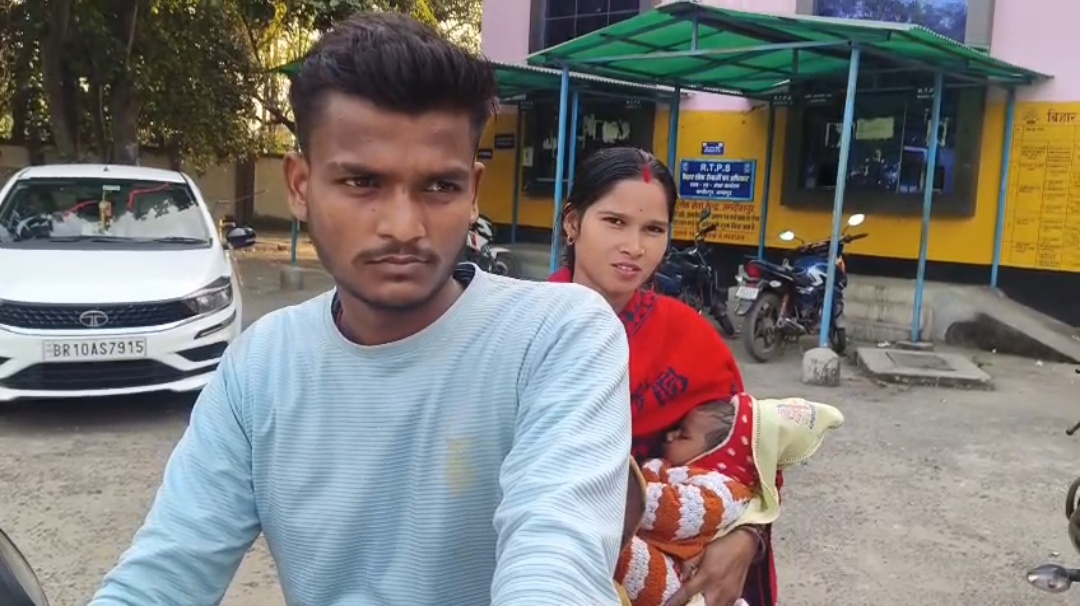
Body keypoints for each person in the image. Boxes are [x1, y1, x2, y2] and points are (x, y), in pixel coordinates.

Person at [89, 13, 633, 606]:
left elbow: (557, 559)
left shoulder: (557, 336)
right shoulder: (261, 367)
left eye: (439, 187)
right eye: (361, 182)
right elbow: (163, 576)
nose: (403, 226)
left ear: (473, 191)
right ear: (300, 186)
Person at [549, 147, 778, 606]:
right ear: (572, 222)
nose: (635, 247)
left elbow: (750, 452)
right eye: (614, 222)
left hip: (671, 571)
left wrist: (747, 535)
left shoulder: (692, 338)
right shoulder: (522, 326)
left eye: (653, 229)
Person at [616, 394, 844, 606]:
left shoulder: (721, 493)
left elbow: (670, 514)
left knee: (620, 551)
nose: (670, 435)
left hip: (677, 580)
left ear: (714, 455)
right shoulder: (677, 469)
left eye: (683, 435)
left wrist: (619, 494)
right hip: (666, 556)